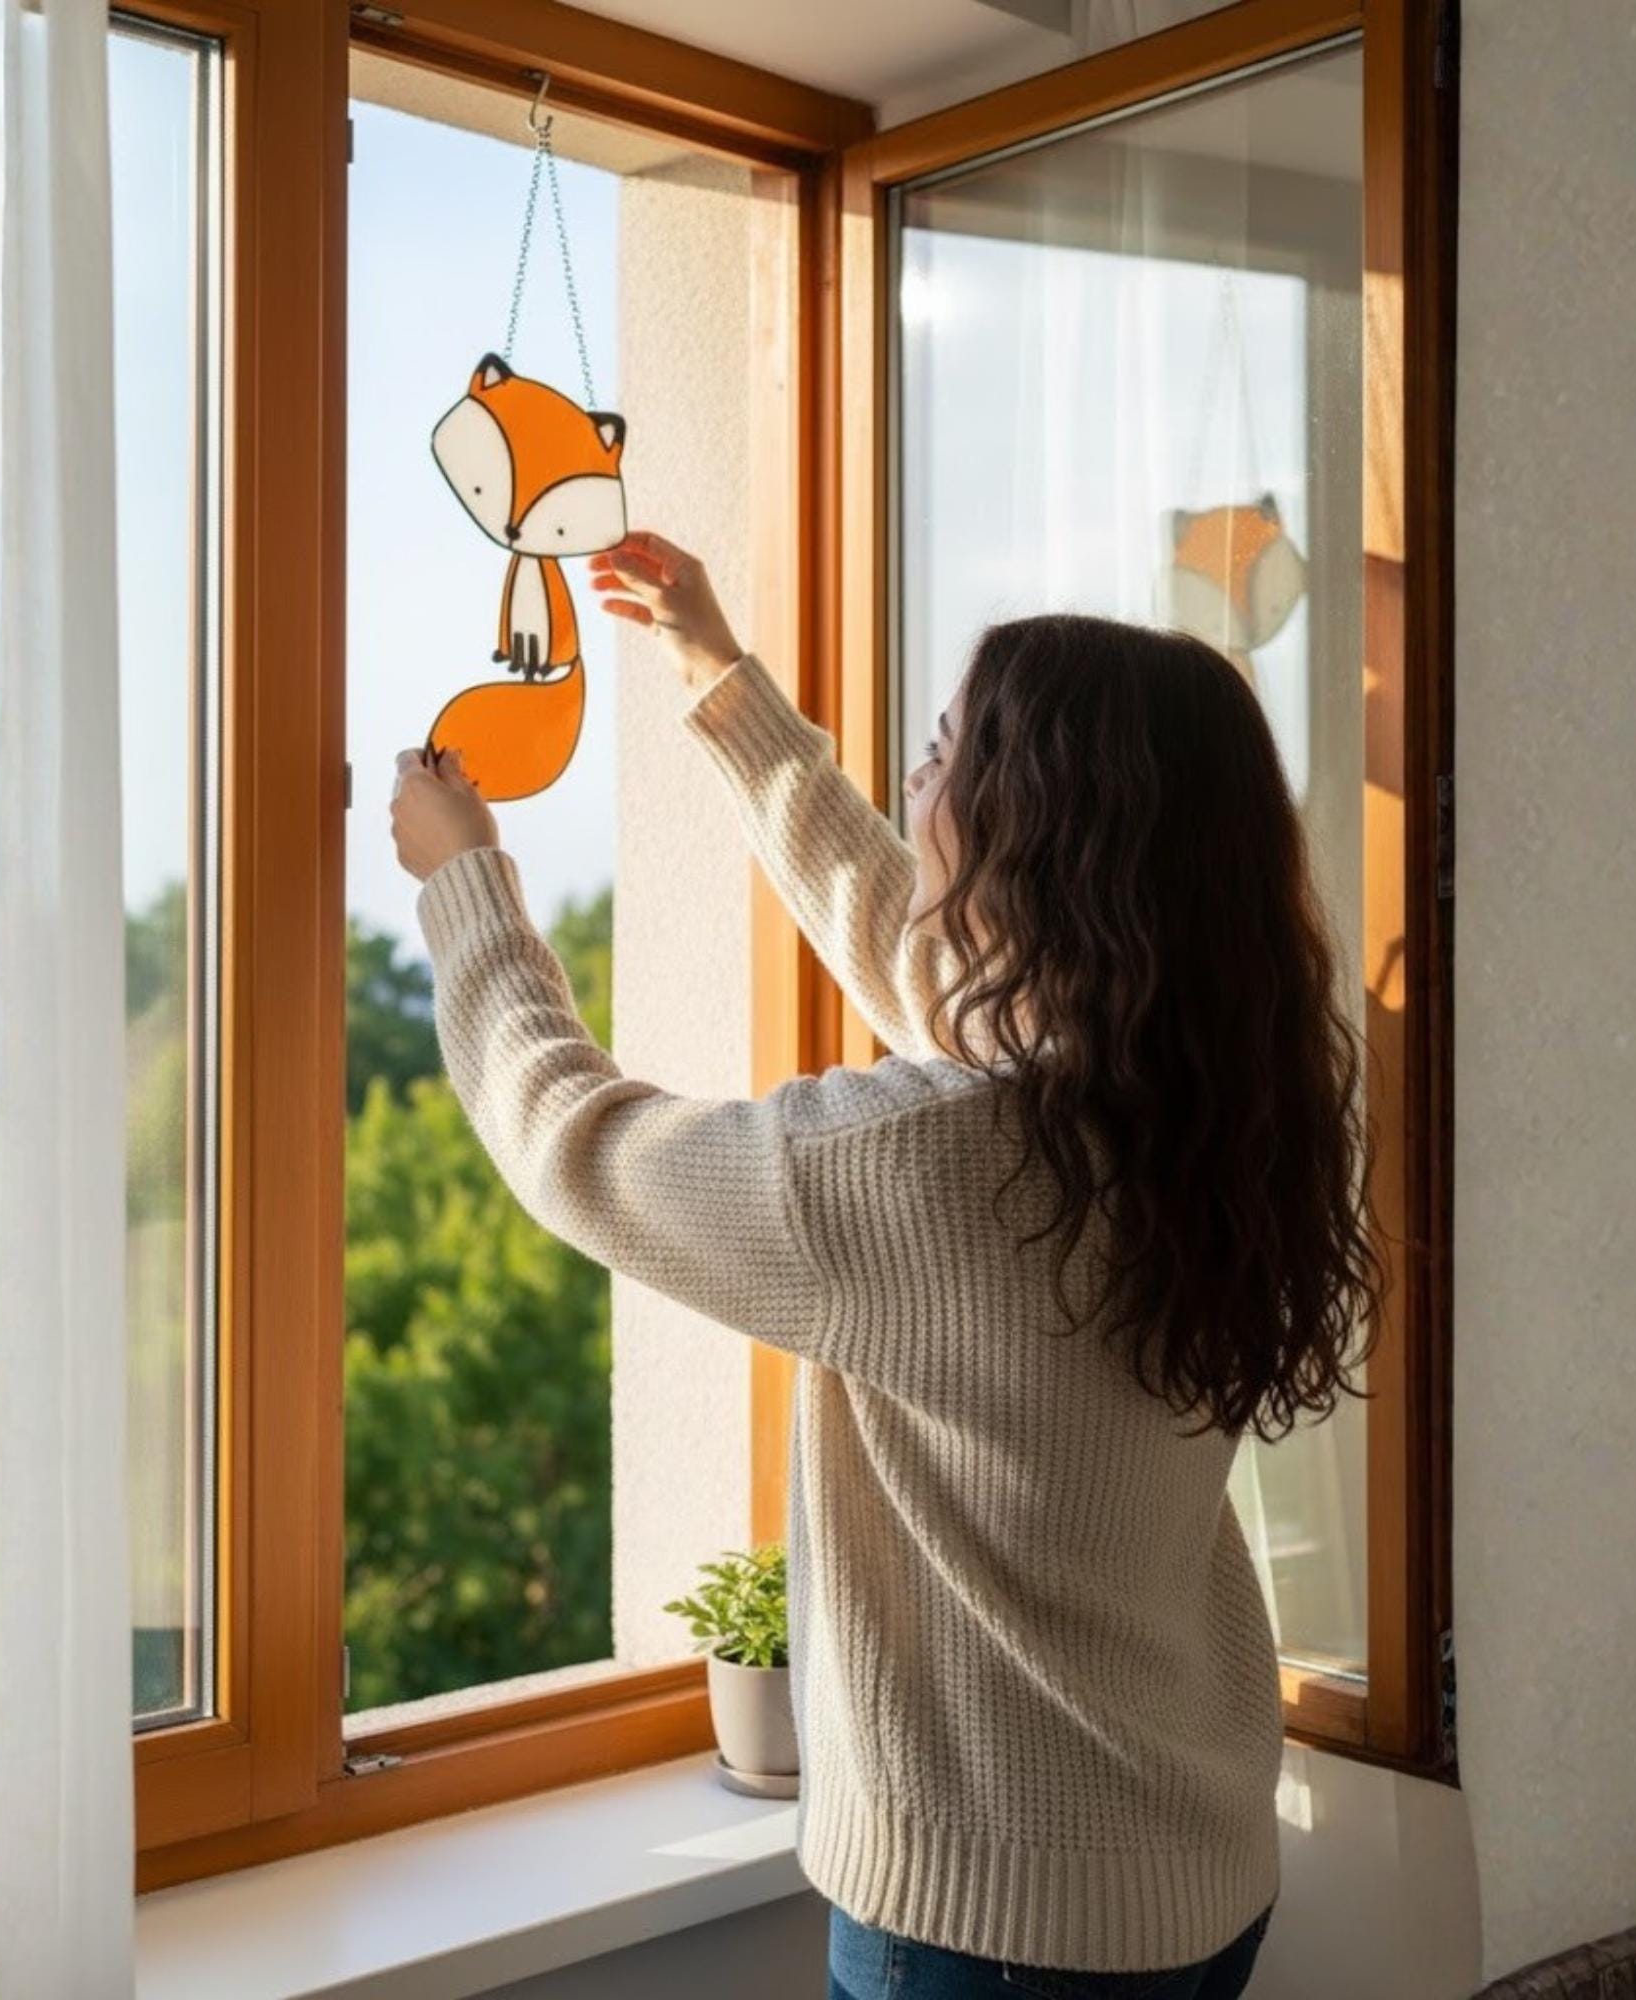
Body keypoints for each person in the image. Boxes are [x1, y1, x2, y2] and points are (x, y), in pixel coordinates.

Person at [389, 530, 1381, 2000]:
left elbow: (575, 1143)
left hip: (988, 1934)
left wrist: (469, 888)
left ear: (1031, 832)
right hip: (1199, 1876)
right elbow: (923, 961)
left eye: (943, 757)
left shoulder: (931, 1166)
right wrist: (720, 682)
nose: (917, 792)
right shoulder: (1220, 1110)